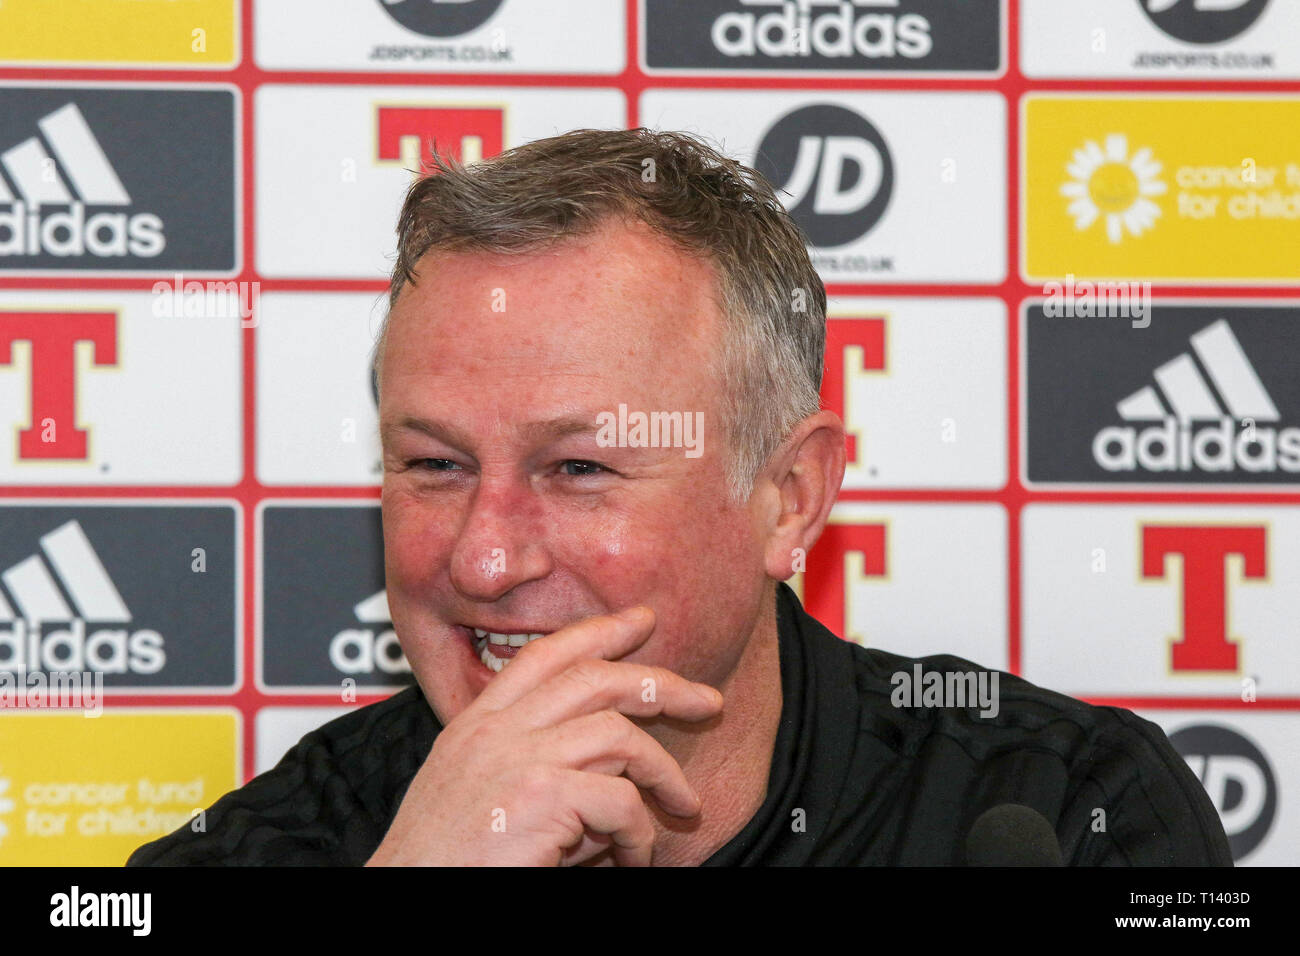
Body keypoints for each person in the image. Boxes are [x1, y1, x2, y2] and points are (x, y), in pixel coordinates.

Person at [127, 128, 1231, 866]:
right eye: (434, 464)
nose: (482, 558)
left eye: (579, 468)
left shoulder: (1069, 809)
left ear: (788, 496)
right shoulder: (272, 846)